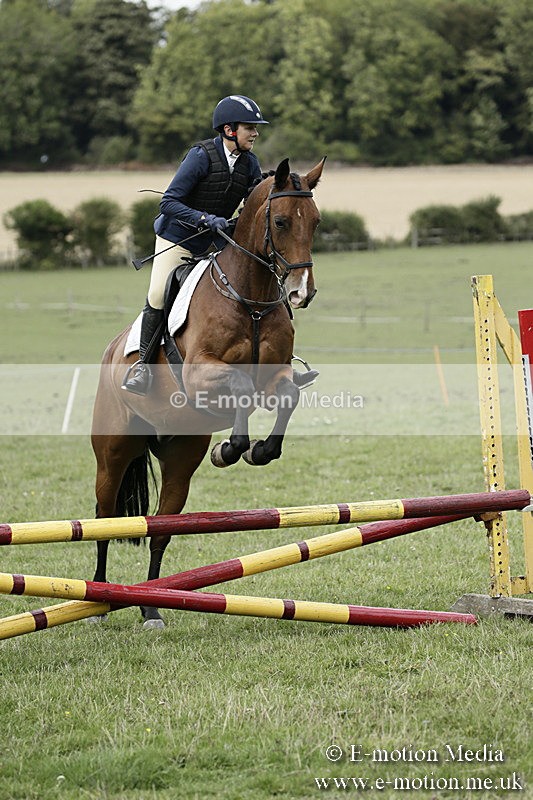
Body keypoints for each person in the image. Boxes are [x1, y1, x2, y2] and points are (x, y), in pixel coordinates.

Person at [123, 94, 268, 395]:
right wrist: (205, 218)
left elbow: (251, 205)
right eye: (249, 127)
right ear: (229, 130)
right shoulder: (201, 156)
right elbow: (168, 202)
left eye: (255, 128)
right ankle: (143, 368)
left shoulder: (250, 163)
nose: (255, 133)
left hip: (215, 242)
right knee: (158, 294)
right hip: (179, 238)